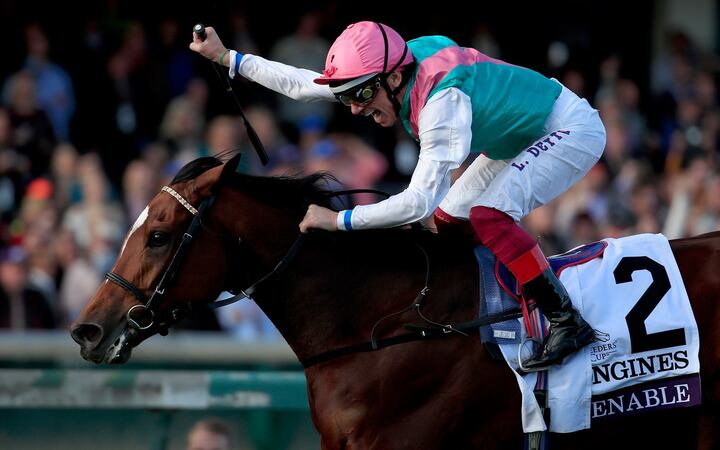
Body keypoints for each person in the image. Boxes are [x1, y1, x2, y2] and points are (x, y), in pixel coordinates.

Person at [190, 21, 606, 370]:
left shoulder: (441, 103)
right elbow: (303, 85)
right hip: (518, 135)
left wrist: (339, 220)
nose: (354, 108)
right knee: (449, 223)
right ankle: (488, 308)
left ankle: (565, 319)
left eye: (362, 96)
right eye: (350, 96)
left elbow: (417, 201)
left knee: (486, 215)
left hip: (566, 130)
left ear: (392, 79)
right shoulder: (390, 66)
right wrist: (229, 58)